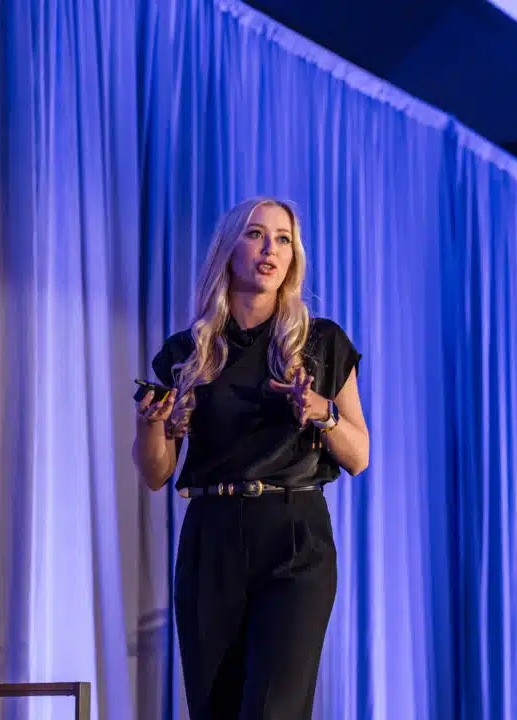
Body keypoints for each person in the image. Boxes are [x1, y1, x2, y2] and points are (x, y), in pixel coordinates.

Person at [131, 196, 370, 719]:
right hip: (211, 536)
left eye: (283, 239)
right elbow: (155, 474)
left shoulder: (321, 342)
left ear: (293, 258)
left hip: (294, 537)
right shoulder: (186, 353)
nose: (270, 249)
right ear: (228, 250)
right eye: (256, 234)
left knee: (271, 711)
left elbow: (358, 457)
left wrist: (321, 410)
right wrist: (152, 424)